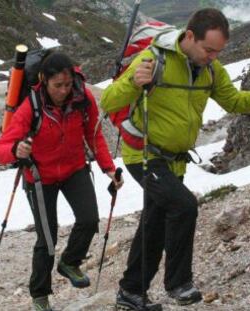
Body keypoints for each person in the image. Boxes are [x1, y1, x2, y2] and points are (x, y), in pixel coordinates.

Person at [101, 8, 250, 311]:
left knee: (154, 223)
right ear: (190, 36)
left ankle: (131, 293)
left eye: (218, 52)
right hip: (143, 155)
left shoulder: (211, 69)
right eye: (208, 49)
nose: (212, 56)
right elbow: (108, 101)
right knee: (183, 205)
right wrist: (134, 84)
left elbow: (234, 101)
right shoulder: (154, 60)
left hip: (175, 160)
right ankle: (178, 284)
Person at [0, 52, 123, 311]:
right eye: (57, 86)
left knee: (88, 220)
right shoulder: (31, 106)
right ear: (44, 80)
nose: (64, 90)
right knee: (47, 239)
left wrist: (109, 168)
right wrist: (16, 150)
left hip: (74, 168)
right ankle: (40, 296)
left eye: (67, 84)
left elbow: (93, 136)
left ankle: (69, 263)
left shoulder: (82, 98)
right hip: (40, 177)